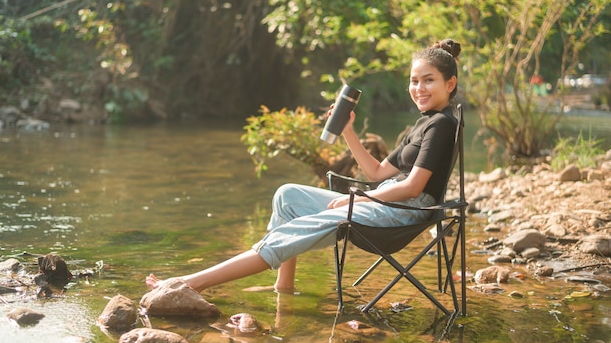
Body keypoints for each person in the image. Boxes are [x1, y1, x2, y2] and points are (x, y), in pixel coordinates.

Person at [146, 38, 461, 294]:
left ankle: (191, 283)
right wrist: (348, 131)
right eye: (414, 80)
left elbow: (414, 187)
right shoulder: (422, 124)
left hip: (403, 211)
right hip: (388, 199)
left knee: (300, 228)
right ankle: (283, 286)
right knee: (287, 195)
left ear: (449, 84)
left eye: (428, 80)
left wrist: (362, 199)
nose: (419, 88)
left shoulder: (441, 125)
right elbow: (376, 173)